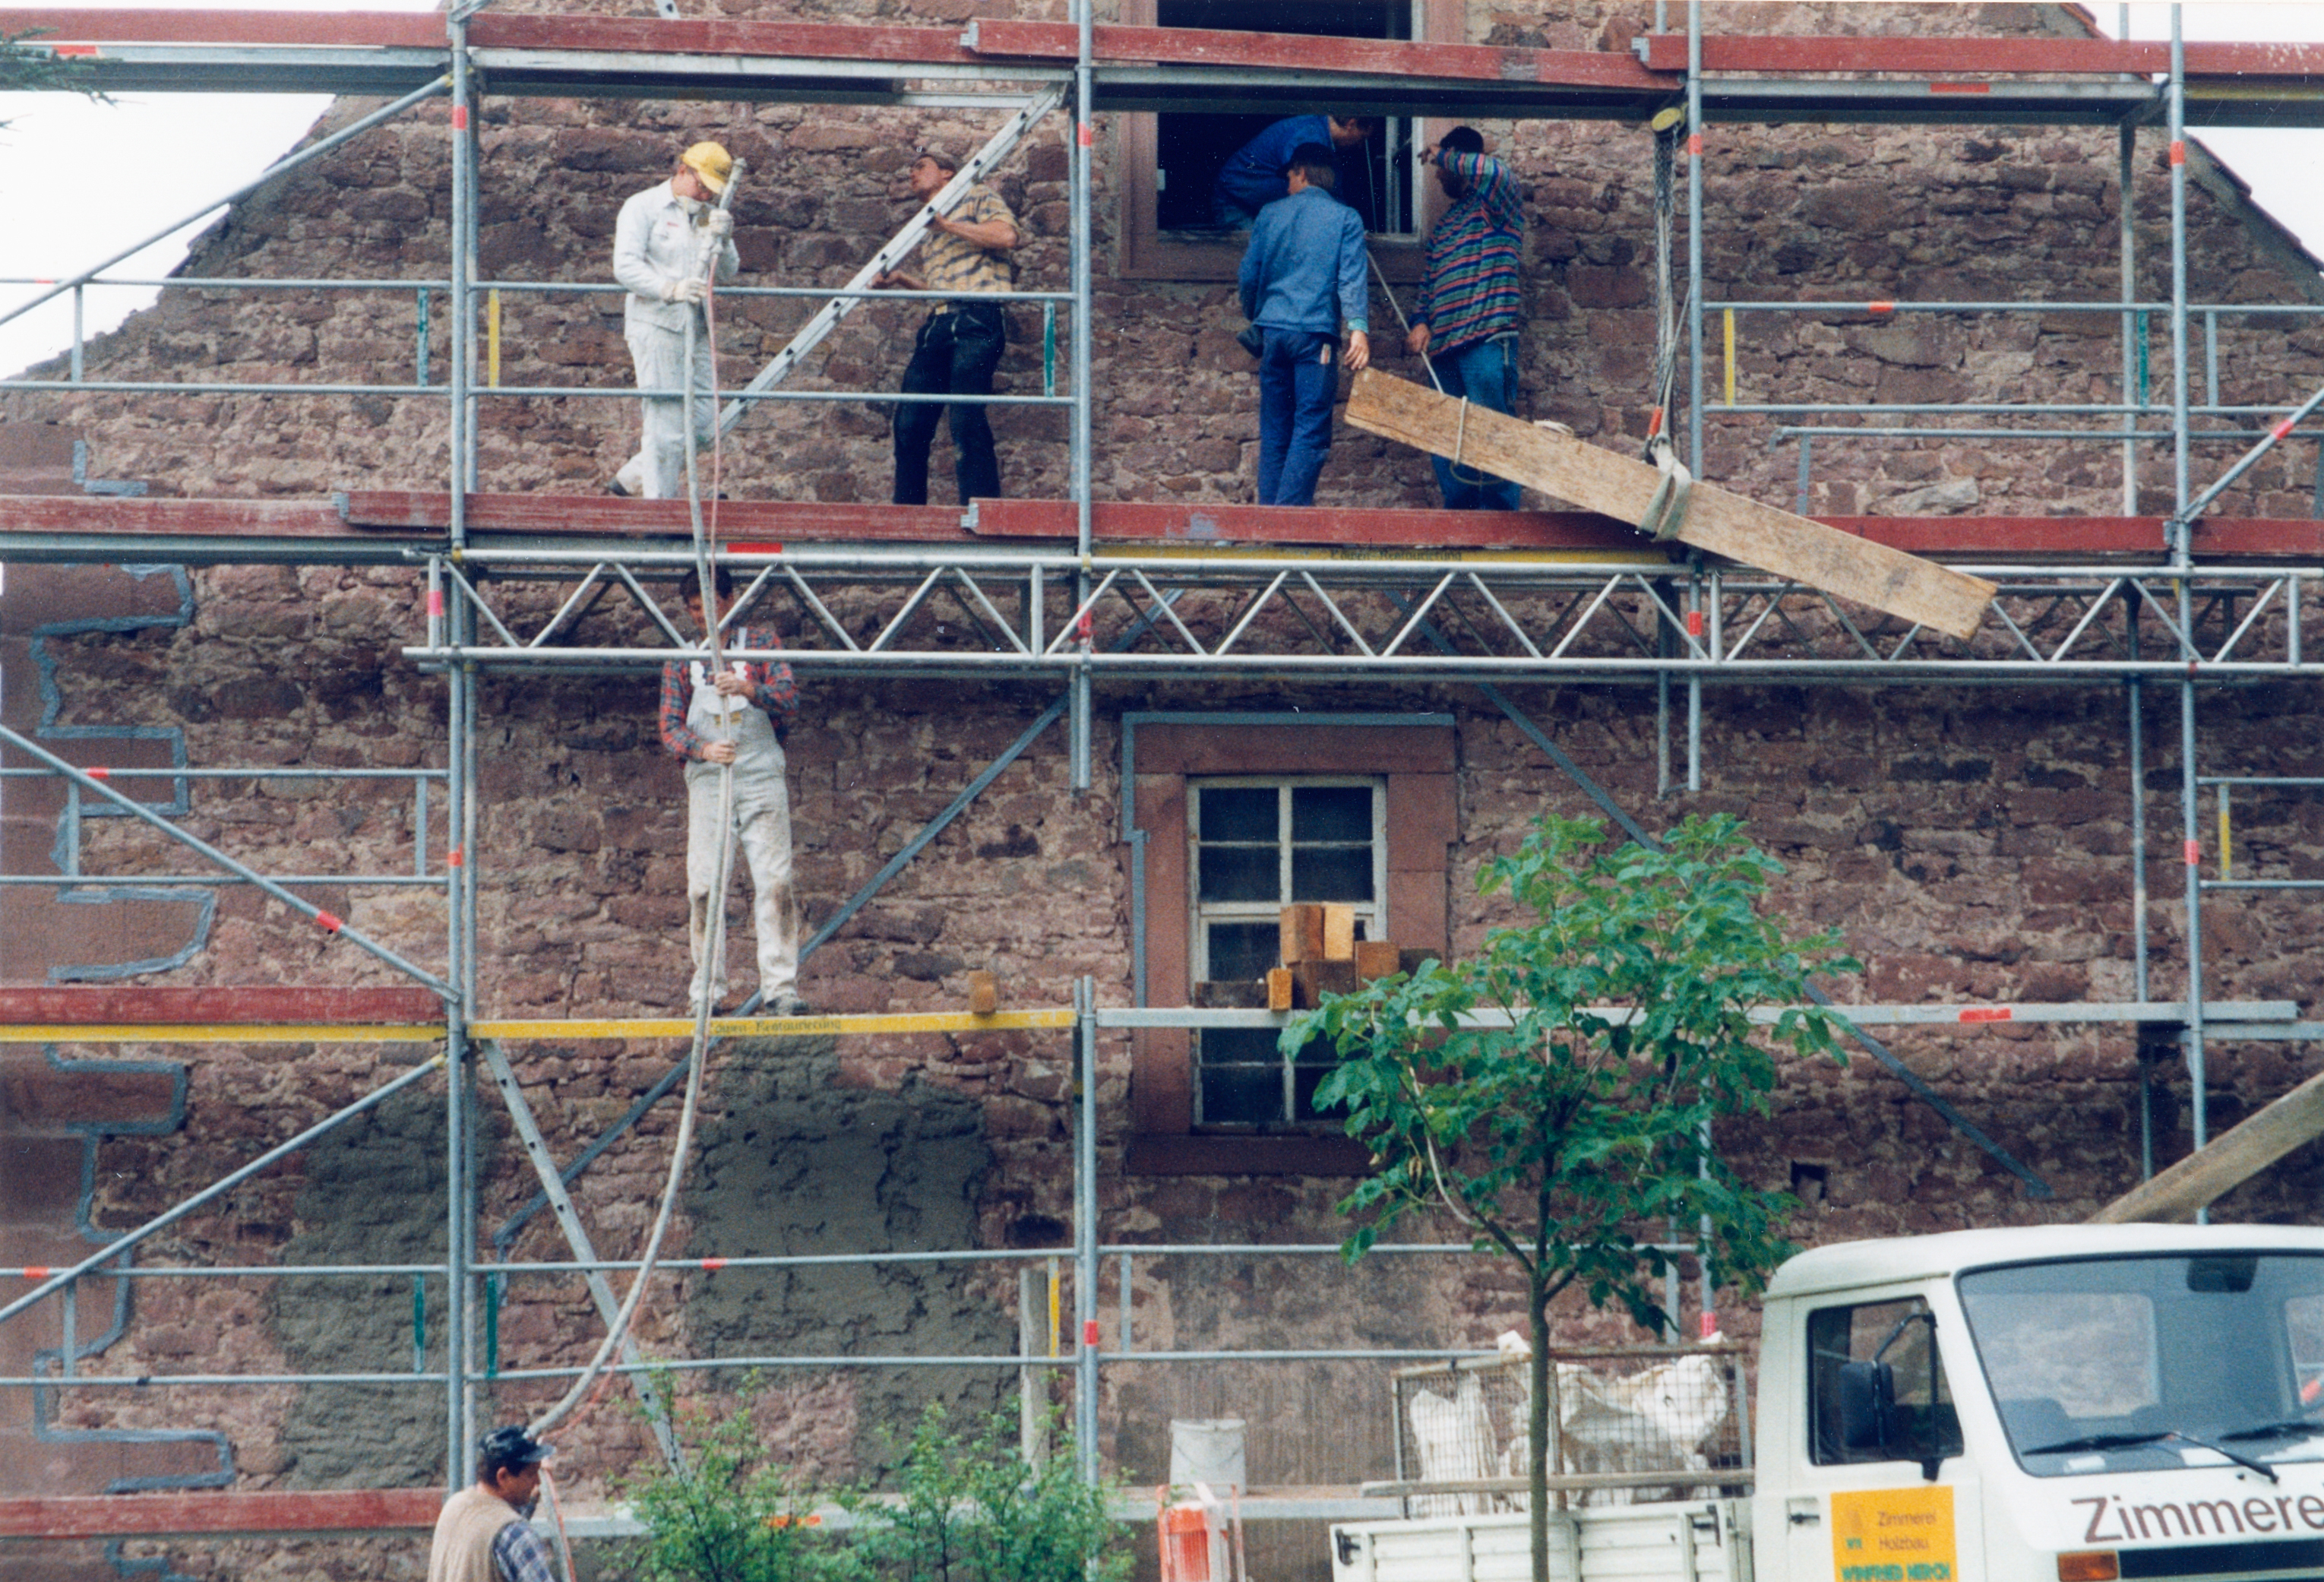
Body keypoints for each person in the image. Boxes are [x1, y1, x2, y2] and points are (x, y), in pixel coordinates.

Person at [659, 566, 805, 1016]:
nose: (705, 618)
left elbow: (789, 698)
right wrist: (702, 748)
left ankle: (780, 988)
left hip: (759, 773)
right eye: (696, 610)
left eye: (712, 606)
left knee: (775, 881)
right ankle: (707, 991)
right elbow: (669, 728)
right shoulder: (682, 658)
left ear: (731, 600)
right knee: (705, 886)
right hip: (710, 778)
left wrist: (748, 688)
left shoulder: (761, 644)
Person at [874, 145, 1021, 506]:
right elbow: (943, 289)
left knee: (965, 417)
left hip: (977, 318)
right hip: (940, 321)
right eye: (910, 170)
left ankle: (981, 512)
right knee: (909, 421)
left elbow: (1006, 237)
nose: (912, 174)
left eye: (921, 166)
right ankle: (907, 515)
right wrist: (903, 280)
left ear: (947, 173)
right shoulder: (929, 226)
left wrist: (947, 225)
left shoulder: (977, 196)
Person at [1238, 143, 1371, 508]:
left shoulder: (1269, 214)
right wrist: (1358, 327)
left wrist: (1256, 316)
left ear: (1303, 173)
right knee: (1310, 428)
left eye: (1289, 177)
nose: (1286, 186)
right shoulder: (1346, 218)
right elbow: (1352, 278)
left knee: (1276, 429)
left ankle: (1270, 519)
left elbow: (1249, 275)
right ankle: (1289, 524)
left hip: (1273, 334)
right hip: (1315, 337)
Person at [610, 141, 741, 499]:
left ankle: (632, 477)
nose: (705, 195)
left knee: (705, 423)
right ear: (683, 169)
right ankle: (660, 511)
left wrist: (724, 239)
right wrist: (670, 289)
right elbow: (625, 266)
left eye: (712, 191)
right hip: (657, 324)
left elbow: (728, 272)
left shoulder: (704, 213)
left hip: (695, 327)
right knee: (666, 427)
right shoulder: (643, 207)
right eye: (702, 186)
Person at [1405, 127, 1526, 510]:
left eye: (1444, 166)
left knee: (1493, 432)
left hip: (1487, 340)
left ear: (1459, 158)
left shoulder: (1498, 201)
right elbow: (1429, 282)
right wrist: (1421, 320)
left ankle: (1498, 529)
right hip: (1443, 349)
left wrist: (1438, 152)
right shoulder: (1446, 225)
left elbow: (1491, 172)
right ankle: (1461, 527)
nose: (1438, 175)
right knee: (1445, 438)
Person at [427, 1425, 556, 1582]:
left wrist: (532, 1499)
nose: (537, 1481)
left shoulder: (454, 1505)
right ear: (503, 1476)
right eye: (530, 1474)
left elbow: (496, 1531)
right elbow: (509, 1534)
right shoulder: (518, 1535)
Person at [1212, 114, 1380, 229]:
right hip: (1239, 206)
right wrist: (1345, 226)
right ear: (1351, 124)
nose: (1359, 145)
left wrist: (1345, 223)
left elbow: (1330, 193)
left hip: (1261, 207)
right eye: (1362, 137)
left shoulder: (1322, 139)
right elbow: (1309, 193)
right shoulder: (1307, 136)